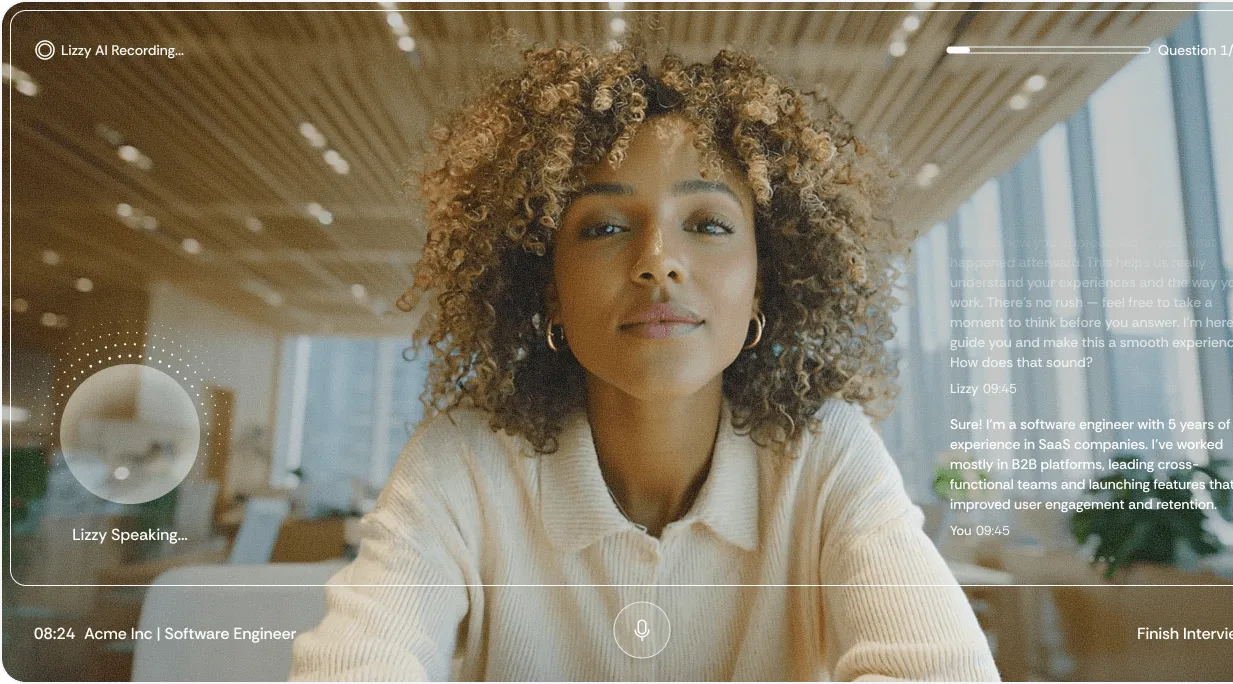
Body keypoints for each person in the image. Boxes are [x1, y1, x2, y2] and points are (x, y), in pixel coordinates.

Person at [289, 34, 1000, 682]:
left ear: (762, 285)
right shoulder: (465, 461)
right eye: (603, 226)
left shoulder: (825, 454)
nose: (659, 263)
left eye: (709, 224)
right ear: (550, 293)